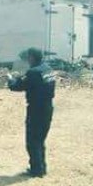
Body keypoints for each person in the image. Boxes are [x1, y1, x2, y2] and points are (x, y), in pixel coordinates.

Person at [8, 48, 56, 178]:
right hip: (48, 107)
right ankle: (41, 167)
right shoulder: (48, 69)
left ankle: (36, 170)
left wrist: (11, 79)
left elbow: (17, 86)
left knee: (32, 140)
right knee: (40, 139)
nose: (27, 59)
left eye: (28, 57)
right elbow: (32, 82)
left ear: (32, 57)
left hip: (36, 109)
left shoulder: (33, 72)